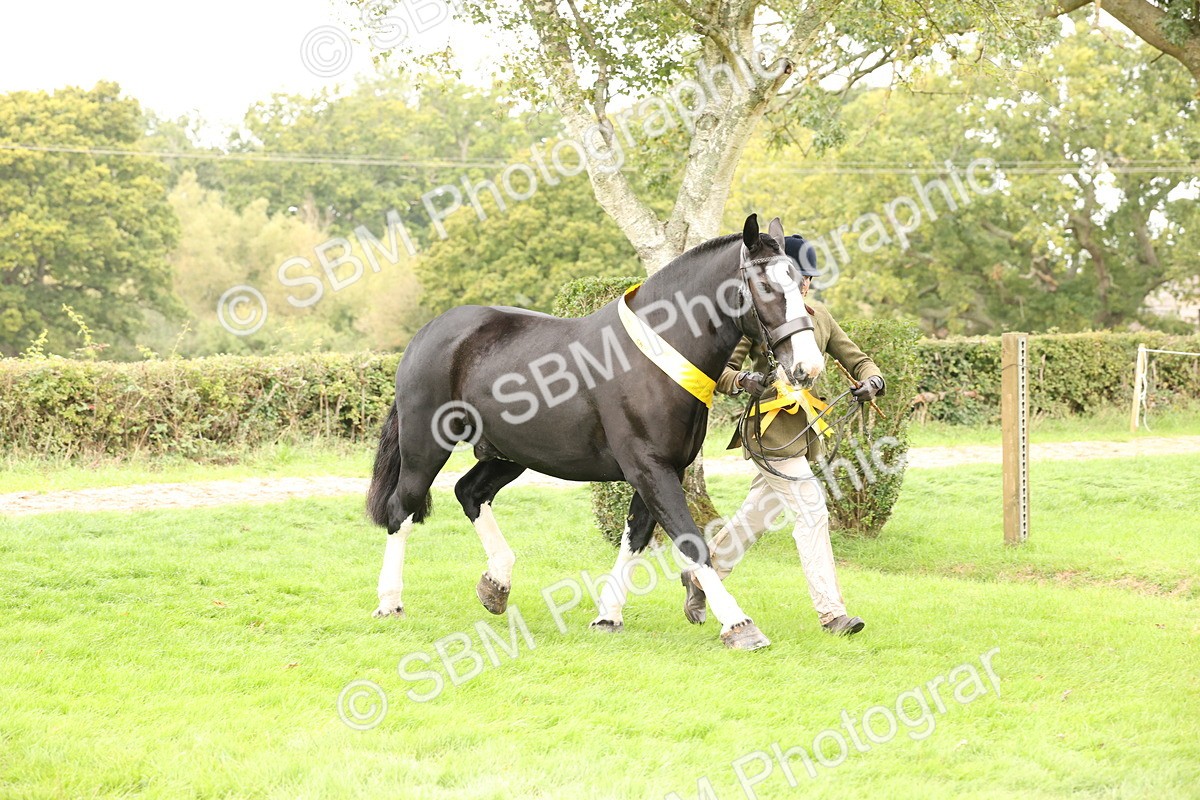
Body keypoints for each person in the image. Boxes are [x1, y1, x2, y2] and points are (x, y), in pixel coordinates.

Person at [682, 234, 885, 636]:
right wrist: (743, 380)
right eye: (799, 276)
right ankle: (832, 614)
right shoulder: (756, 317)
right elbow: (719, 371)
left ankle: (701, 575)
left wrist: (873, 381)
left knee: (755, 518)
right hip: (768, 434)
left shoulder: (820, 315)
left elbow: (858, 359)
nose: (806, 284)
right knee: (813, 513)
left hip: (805, 436)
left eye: (808, 278)